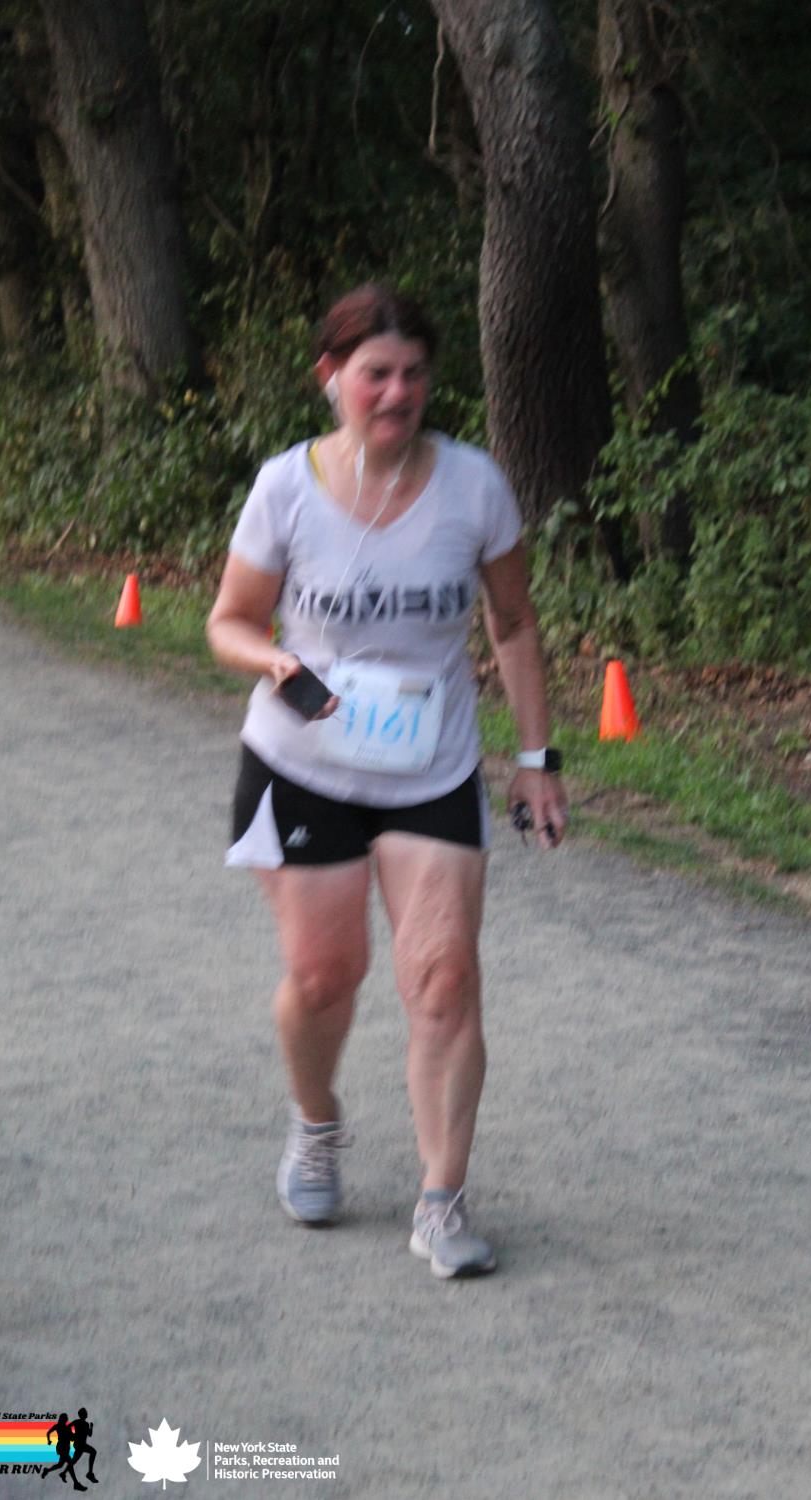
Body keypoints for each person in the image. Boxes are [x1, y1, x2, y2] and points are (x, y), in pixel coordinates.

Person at [206, 283, 567, 1278]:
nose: (397, 392)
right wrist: (273, 659)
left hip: (430, 766)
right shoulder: (286, 488)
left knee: (443, 979)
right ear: (332, 377)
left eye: (413, 374)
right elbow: (228, 620)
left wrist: (535, 759)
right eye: (376, 374)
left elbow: (513, 623)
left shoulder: (474, 487)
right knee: (325, 977)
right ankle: (315, 1121)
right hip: (301, 764)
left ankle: (442, 1201)